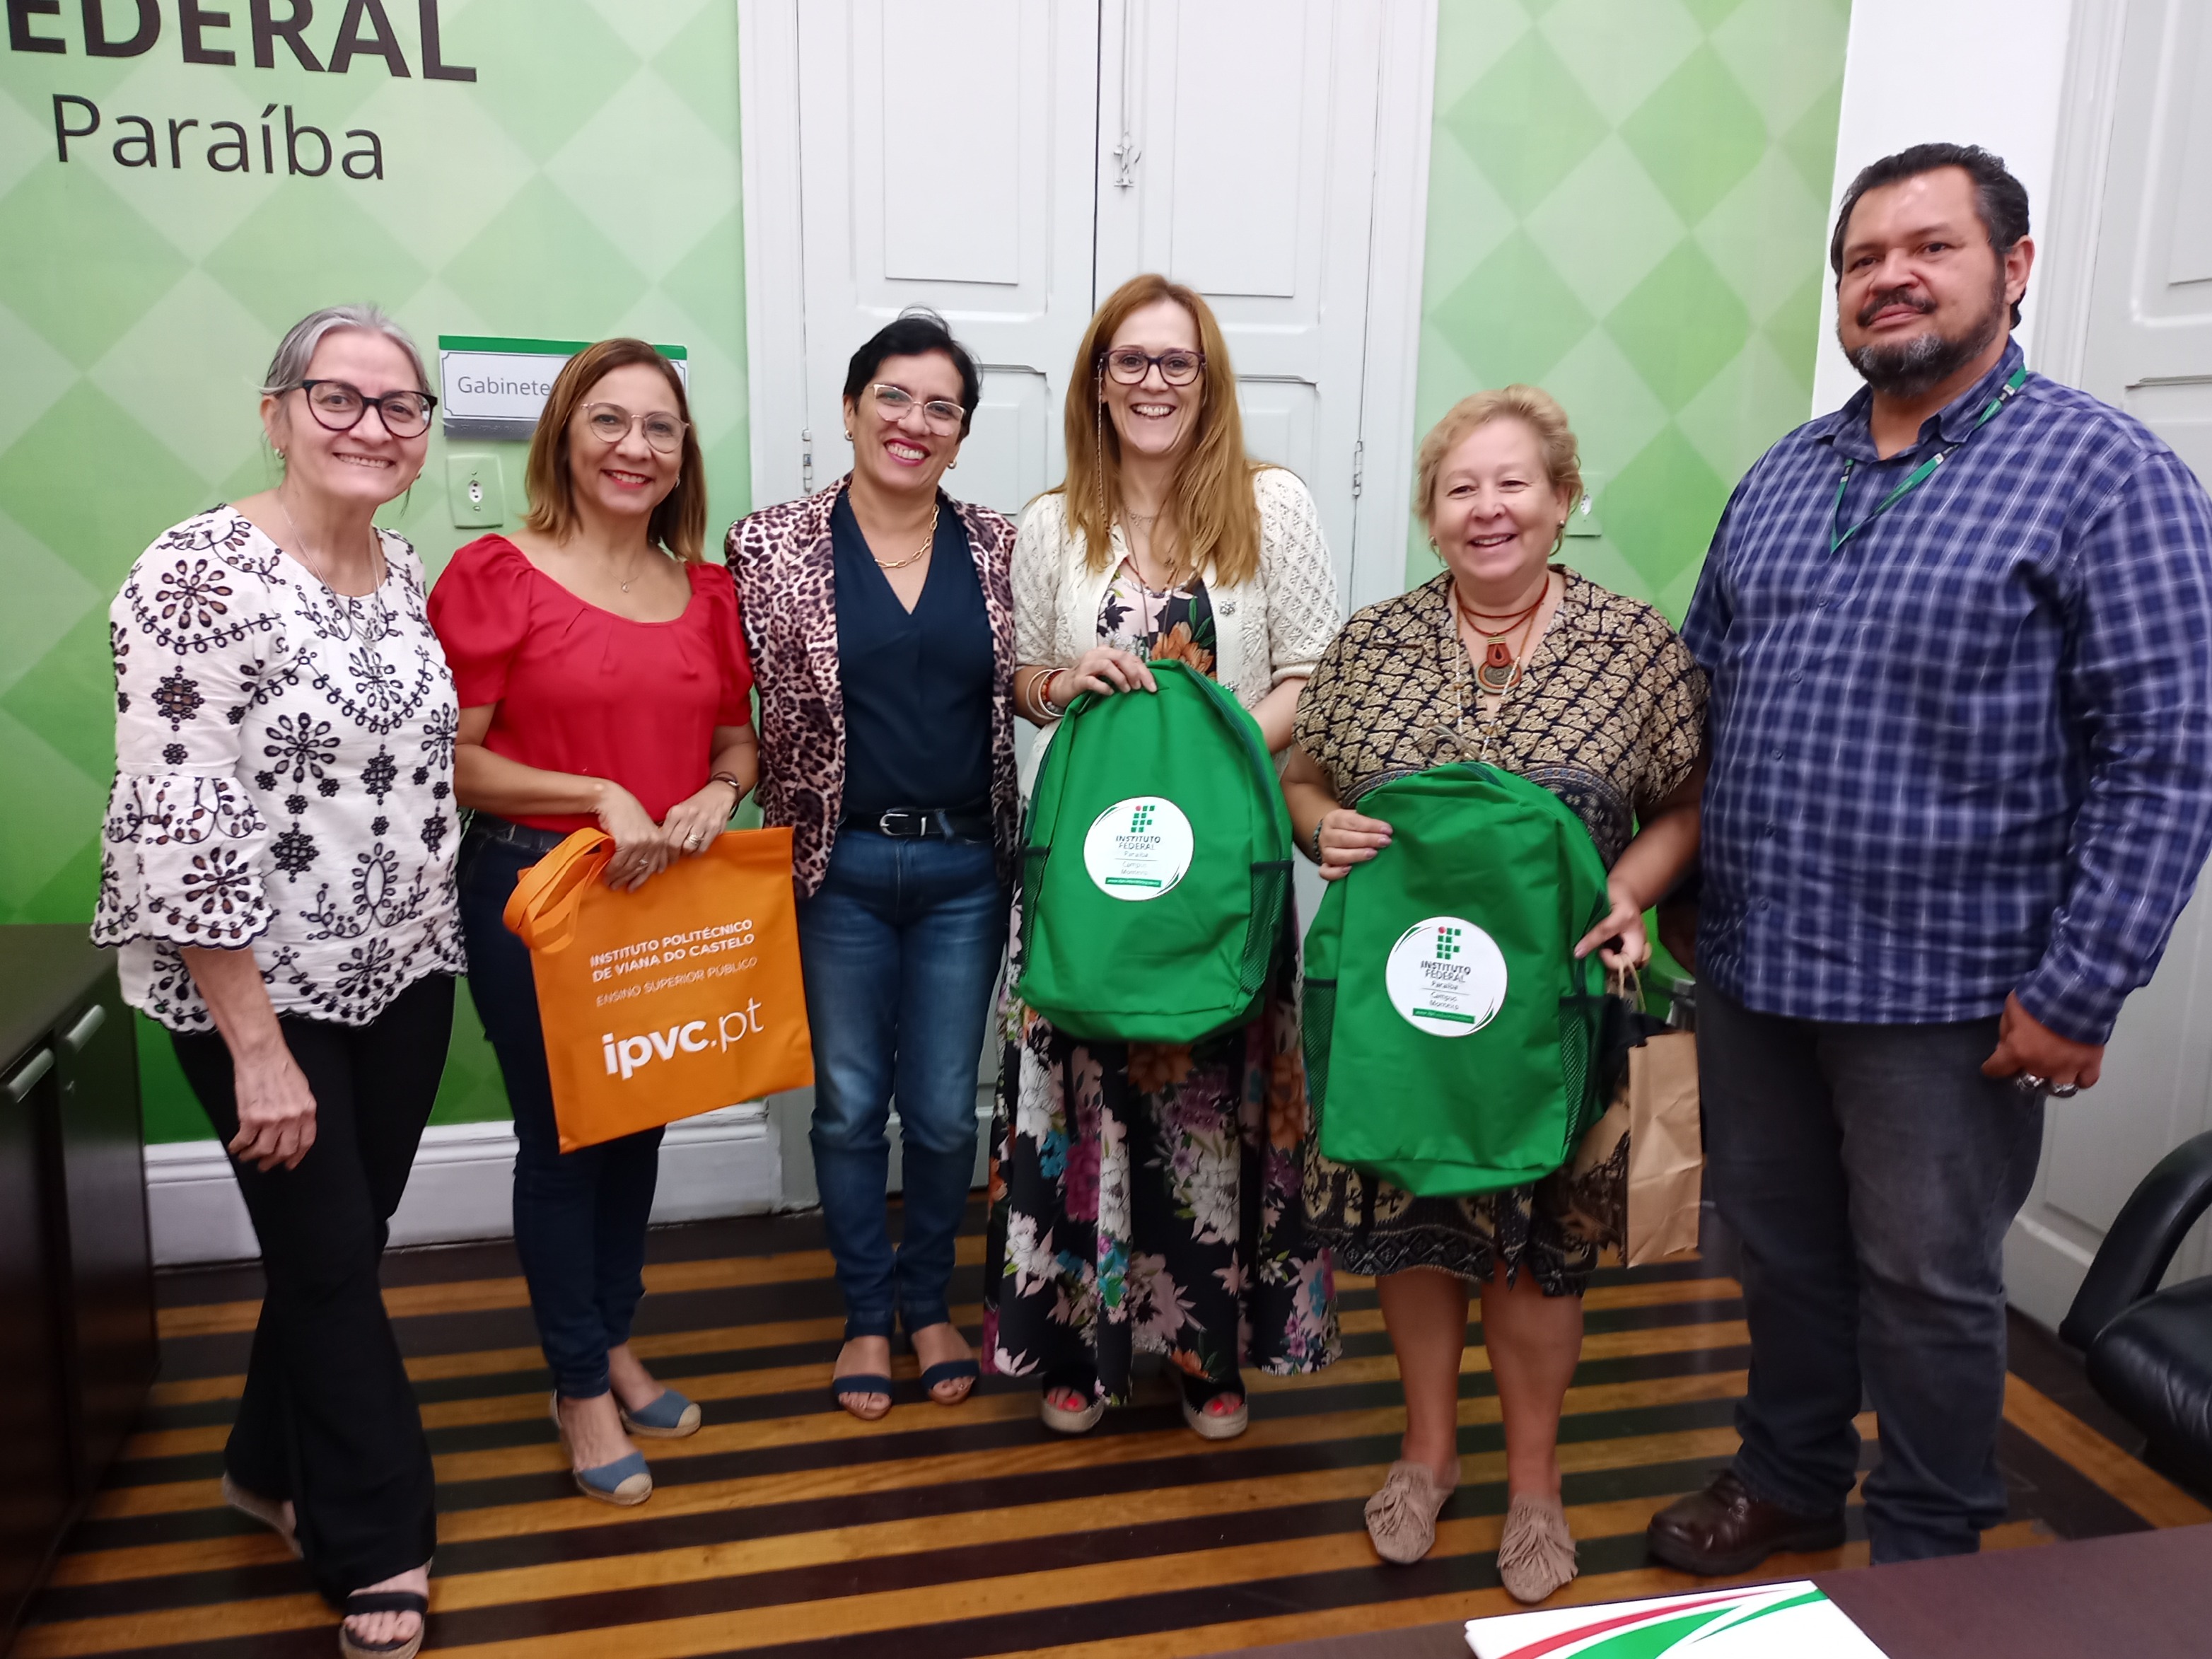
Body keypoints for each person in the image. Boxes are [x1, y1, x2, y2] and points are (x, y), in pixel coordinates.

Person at [1646, 143, 2212, 1573]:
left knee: (1926, 1282)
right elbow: (1705, 698)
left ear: (2011, 270)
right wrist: (1687, 895)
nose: (1889, 278)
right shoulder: (1785, 475)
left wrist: (2081, 988)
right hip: (1757, 966)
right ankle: (1788, 1478)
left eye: (1929, 248)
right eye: (1861, 259)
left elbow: (2167, 752)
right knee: (1777, 1250)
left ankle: (1927, 1546)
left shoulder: (2106, 476)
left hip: (1947, 995)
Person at [1283, 386, 1706, 1596]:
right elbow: (1306, 777)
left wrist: (1628, 888)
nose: (1488, 508)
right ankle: (1428, 1452)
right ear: (1431, 514)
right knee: (1416, 1237)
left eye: (1514, 483)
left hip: (1557, 1012)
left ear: (1563, 500)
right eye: (1461, 488)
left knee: (1538, 1255)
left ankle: (1535, 1481)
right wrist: (1319, 828)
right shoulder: (1371, 644)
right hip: (1403, 1014)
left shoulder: (1634, 647)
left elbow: (1686, 803)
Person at [94, 304, 460, 1659]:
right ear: (277, 412)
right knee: (326, 1262)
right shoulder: (196, 573)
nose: (372, 426)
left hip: (405, 964)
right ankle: (378, 1535)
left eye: (400, 405)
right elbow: (177, 819)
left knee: (340, 1244)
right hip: (257, 990)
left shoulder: (401, 566)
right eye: (338, 397)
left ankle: (260, 1464)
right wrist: (255, 1046)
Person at [983, 273, 1344, 1440]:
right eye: (1129, 360)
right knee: (1081, 1102)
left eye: (1176, 361)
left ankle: (1206, 1352)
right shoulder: (1052, 522)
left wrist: (1210, 755)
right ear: (1098, 381)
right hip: (1088, 878)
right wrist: (1063, 680)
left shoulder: (1271, 505)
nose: (1153, 381)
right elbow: (1022, 678)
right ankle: (1080, 1349)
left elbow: (1314, 673)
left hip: (1222, 868)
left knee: (1212, 1110)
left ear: (1208, 379)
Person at [430, 339, 758, 1506]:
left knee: (641, 1125)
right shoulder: (495, 574)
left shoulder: (707, 592)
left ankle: (612, 1337)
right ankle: (576, 1385)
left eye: (660, 426)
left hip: (662, 893)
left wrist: (721, 790)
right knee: (567, 1139)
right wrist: (597, 795)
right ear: (563, 435)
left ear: (683, 453)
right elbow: (456, 761)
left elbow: (735, 740)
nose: (635, 446)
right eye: (609, 421)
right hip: (539, 893)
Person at [725, 310, 1018, 1420]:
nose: (914, 421)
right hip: (834, 867)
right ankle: (864, 1311)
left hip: (965, 870)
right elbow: (722, 702)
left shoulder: (1002, 547)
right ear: (850, 409)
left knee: (941, 1111)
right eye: (893, 396)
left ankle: (927, 1301)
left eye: (942, 407)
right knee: (849, 1105)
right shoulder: (767, 546)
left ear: (961, 434)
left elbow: (1039, 675)